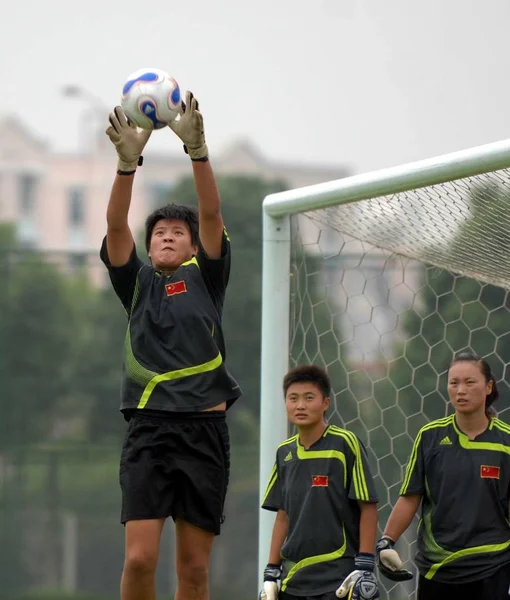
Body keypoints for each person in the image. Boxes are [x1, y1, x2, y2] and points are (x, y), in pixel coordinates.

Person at [101, 90, 241, 600]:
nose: (165, 236)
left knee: (194, 571)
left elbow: (211, 214)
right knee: (139, 560)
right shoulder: (135, 284)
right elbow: (116, 226)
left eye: (177, 231)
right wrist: (126, 163)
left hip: (204, 432)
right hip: (149, 430)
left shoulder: (207, 277)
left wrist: (198, 152)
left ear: (191, 245)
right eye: (158, 231)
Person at [376, 351, 510, 600]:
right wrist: (386, 541)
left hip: (493, 567)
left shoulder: (506, 442)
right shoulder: (430, 437)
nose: (461, 390)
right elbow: (410, 496)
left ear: (489, 386)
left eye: (470, 382)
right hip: (437, 569)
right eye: (453, 383)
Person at [260, 364, 380, 600]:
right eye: (293, 398)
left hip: (338, 576)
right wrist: (271, 570)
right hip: (294, 577)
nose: (300, 405)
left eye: (309, 398)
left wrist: (365, 565)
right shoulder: (284, 453)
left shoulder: (345, 444)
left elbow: (368, 506)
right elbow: (282, 515)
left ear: (326, 403)